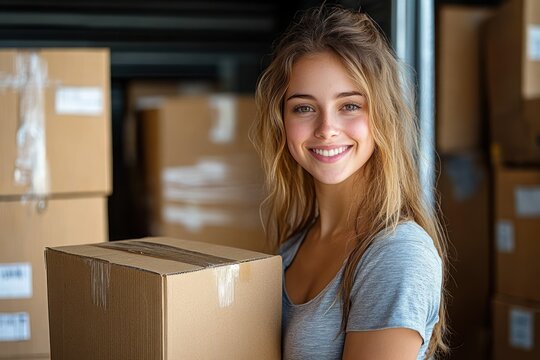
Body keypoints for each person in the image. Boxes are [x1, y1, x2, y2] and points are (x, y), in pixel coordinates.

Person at [251, 5, 448, 360]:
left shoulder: (395, 253)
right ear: (282, 121)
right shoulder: (291, 249)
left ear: (382, 115)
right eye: (304, 108)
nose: (326, 127)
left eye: (350, 106)